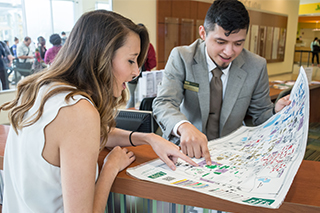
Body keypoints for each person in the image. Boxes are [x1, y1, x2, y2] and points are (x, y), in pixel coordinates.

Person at [0, 10, 197, 212]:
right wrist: (109, 168)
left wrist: (148, 138)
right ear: (101, 57)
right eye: (131, 60)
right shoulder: (78, 110)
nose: (136, 71)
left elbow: (84, 137)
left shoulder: (38, 89)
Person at [153, 0, 291, 165]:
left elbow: (261, 116)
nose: (229, 52)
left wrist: (276, 112)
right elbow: (164, 103)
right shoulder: (182, 57)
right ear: (203, 33)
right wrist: (183, 126)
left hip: (232, 154)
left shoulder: (256, 66)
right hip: (186, 152)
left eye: (238, 43)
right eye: (221, 42)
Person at [126, 23, 157, 108]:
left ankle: (128, 116)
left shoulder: (129, 46)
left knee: (132, 97)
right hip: (144, 77)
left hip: (132, 77)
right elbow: (153, 62)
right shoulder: (149, 46)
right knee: (144, 98)